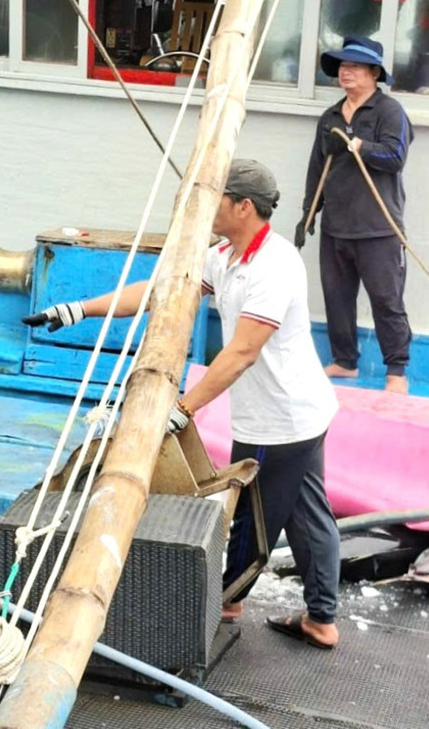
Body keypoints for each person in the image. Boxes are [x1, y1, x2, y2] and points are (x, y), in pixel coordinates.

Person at [24, 159, 341, 650]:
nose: (208, 208)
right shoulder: (227, 254)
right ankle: (321, 618)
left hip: (284, 418)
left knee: (252, 520)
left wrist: (184, 408)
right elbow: (161, 291)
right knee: (305, 511)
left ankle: (227, 603)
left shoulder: (274, 265)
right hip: (278, 412)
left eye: (217, 199)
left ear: (243, 206)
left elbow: (240, 353)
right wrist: (78, 309)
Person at [296, 35, 413, 394]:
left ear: (374, 73)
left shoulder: (389, 111)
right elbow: (317, 168)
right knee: (337, 296)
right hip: (336, 226)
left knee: (386, 300)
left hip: (378, 226)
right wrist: (308, 214)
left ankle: (396, 371)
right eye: (343, 66)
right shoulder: (329, 115)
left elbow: (395, 157)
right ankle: (344, 361)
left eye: (355, 66)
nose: (346, 72)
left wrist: (357, 144)